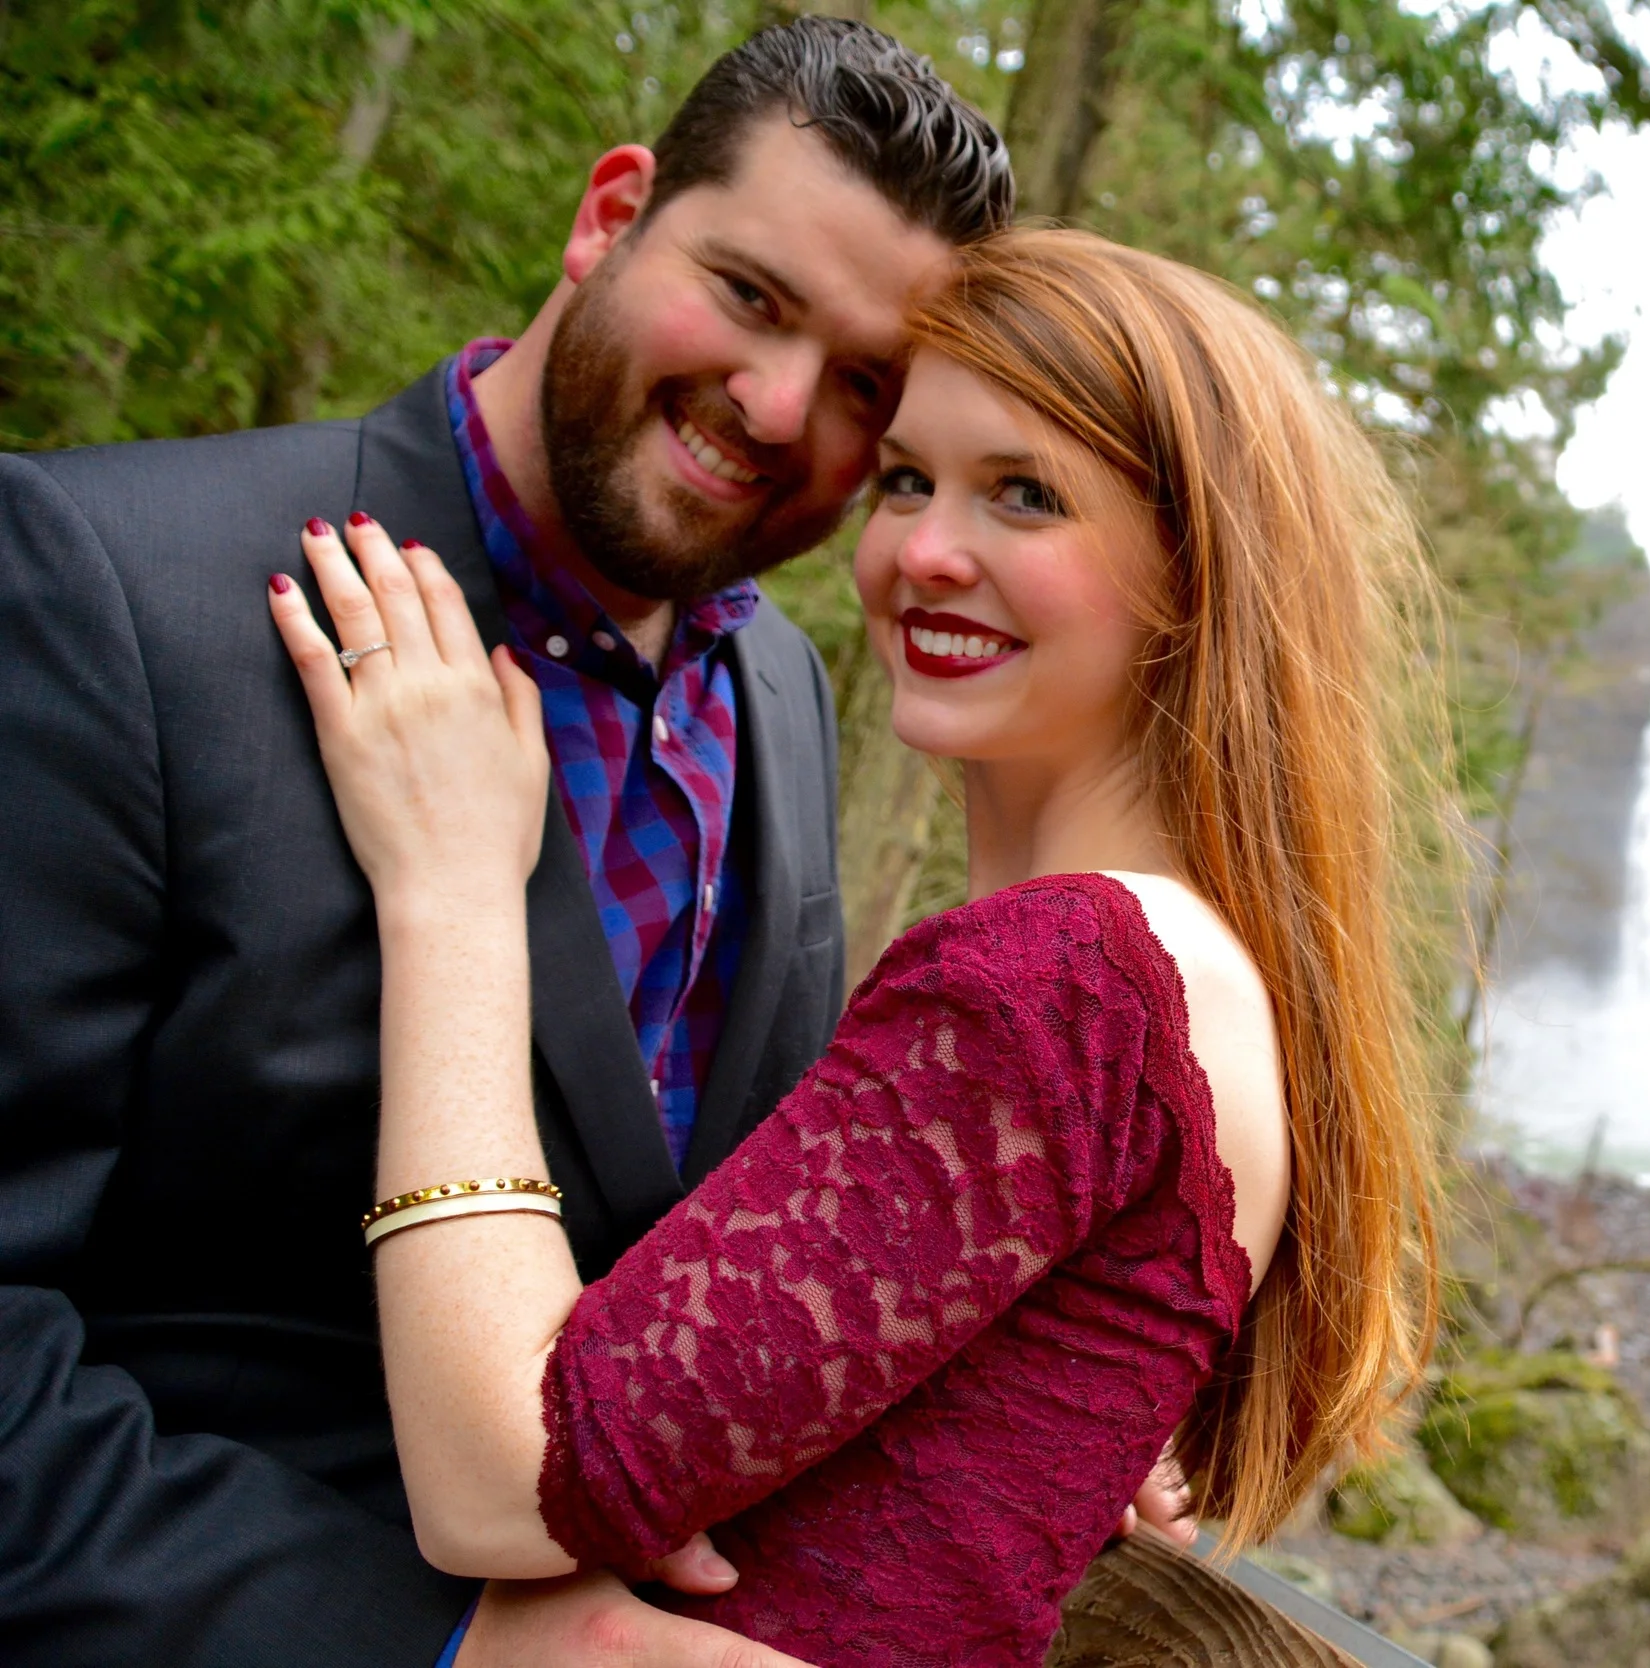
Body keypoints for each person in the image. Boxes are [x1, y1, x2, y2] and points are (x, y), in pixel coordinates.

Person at [0, 20, 1187, 1667]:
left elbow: (738, 1276)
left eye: (862, 385)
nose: (775, 406)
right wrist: (451, 1649)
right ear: (611, 212)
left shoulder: (784, 693)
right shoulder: (112, 590)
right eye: (750, 295)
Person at [265, 226, 1447, 1665]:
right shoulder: (1180, 971)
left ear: (1198, 566)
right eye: (905, 480)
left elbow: (506, 1485)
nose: (924, 553)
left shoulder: (1067, 977)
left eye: (1024, 494)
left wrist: (452, 891)